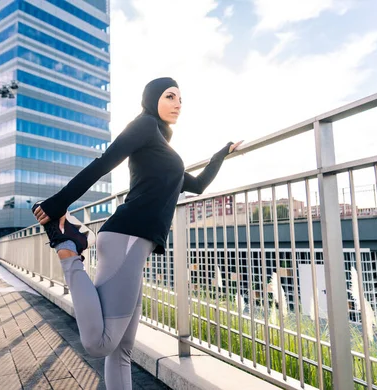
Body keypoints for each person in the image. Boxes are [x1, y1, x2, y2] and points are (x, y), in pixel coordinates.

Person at [31, 77, 241, 389]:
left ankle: (69, 243)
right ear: (152, 98)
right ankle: (67, 247)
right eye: (170, 96)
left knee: (121, 350)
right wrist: (58, 203)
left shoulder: (160, 148)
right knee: (100, 343)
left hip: (131, 243)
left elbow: (195, 185)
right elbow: (104, 163)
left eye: (181, 99)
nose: (178, 104)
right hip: (125, 238)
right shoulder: (144, 125)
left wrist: (221, 154)